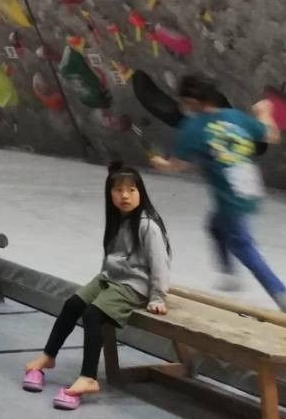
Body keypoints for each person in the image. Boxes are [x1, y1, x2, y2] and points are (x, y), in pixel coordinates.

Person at [22, 164, 171, 407]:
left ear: (141, 192)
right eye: (119, 190)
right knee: (73, 304)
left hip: (134, 286)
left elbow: (160, 265)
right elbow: (112, 256)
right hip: (109, 279)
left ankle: (88, 377)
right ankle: (48, 356)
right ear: (109, 194)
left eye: (131, 190)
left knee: (93, 314)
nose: (125, 196)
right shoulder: (118, 220)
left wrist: (157, 298)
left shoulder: (147, 225)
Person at [150, 74, 286, 311]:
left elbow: (176, 165)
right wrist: (263, 113)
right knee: (215, 226)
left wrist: (160, 164)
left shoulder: (193, 128)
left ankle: (279, 292)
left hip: (228, 192)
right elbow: (272, 135)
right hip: (250, 185)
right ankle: (230, 276)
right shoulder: (235, 117)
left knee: (242, 245)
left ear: (191, 101)